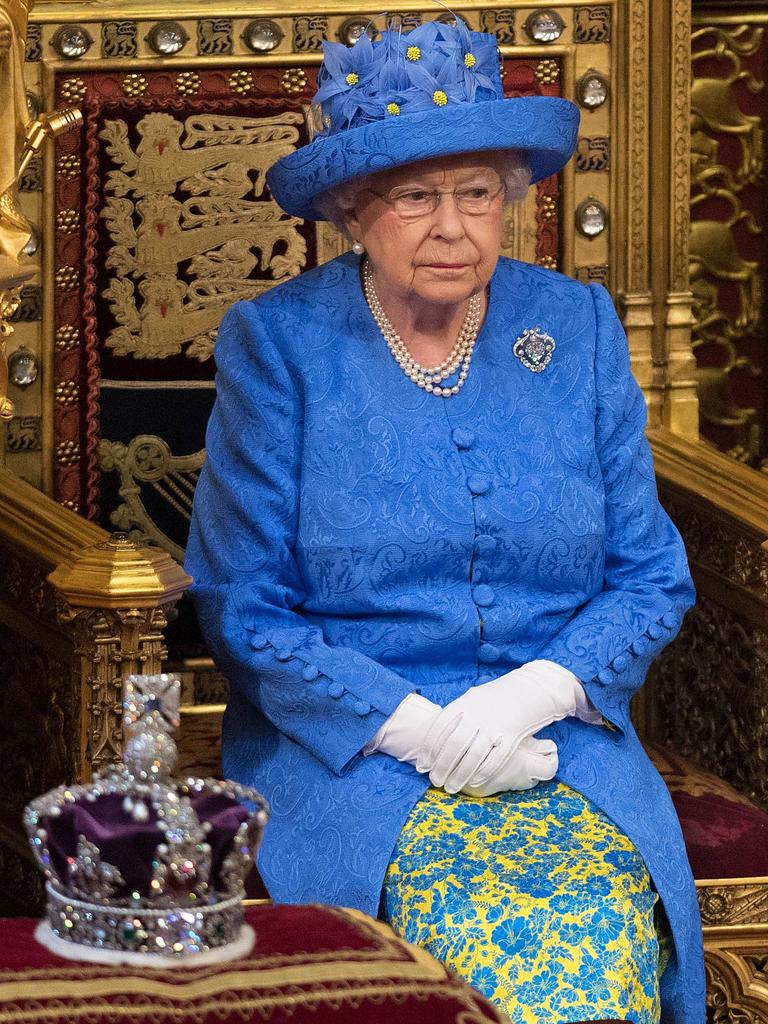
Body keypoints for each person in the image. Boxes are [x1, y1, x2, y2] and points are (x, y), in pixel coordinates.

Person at [185, 17, 704, 1024]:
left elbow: (651, 573)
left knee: (594, 916)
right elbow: (243, 609)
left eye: (478, 194)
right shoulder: (279, 346)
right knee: (473, 924)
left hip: (563, 744)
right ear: (352, 208)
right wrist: (414, 726)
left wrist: (536, 695)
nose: (453, 227)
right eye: (417, 196)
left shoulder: (577, 328)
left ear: (510, 199)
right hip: (356, 754)